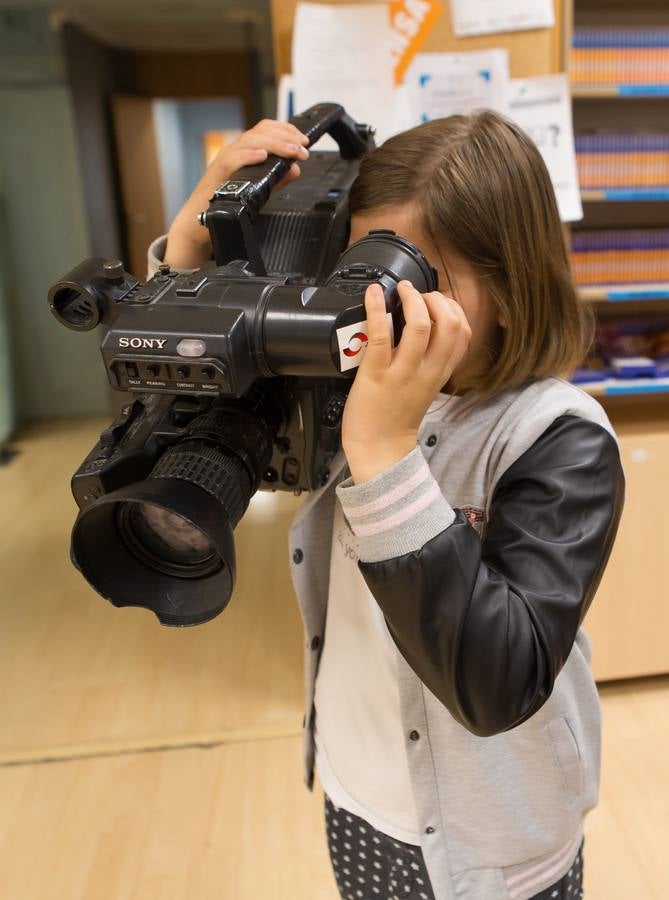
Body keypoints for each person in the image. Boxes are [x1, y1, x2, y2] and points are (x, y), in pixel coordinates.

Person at [148, 113, 625, 900]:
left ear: (509, 288)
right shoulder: (345, 377)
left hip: (496, 844)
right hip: (356, 795)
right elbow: (191, 379)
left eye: (415, 282)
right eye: (361, 276)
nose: (379, 315)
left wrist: (386, 453)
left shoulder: (557, 439)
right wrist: (197, 241)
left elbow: (496, 683)